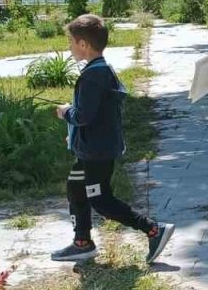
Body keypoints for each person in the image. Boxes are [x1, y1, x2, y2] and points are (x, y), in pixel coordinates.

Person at [50, 14, 173, 264]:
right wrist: (74, 136)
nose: (70, 46)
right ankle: (82, 242)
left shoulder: (92, 77)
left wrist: (65, 113)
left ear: (83, 44)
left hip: (96, 153)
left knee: (102, 200)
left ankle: (153, 230)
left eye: (71, 42)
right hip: (92, 149)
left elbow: (83, 116)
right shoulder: (100, 71)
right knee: (76, 187)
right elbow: (98, 116)